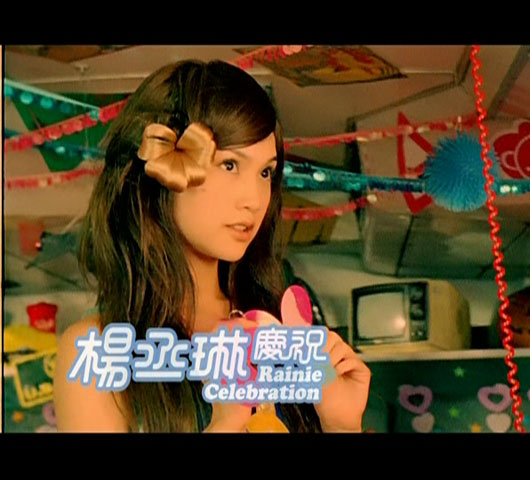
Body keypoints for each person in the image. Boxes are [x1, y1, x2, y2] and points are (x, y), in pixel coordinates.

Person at [53, 59, 371, 433]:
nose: (254, 199)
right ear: (167, 165)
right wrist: (225, 423)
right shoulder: (98, 350)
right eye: (230, 165)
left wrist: (341, 425)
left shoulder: (277, 325)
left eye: (265, 172)